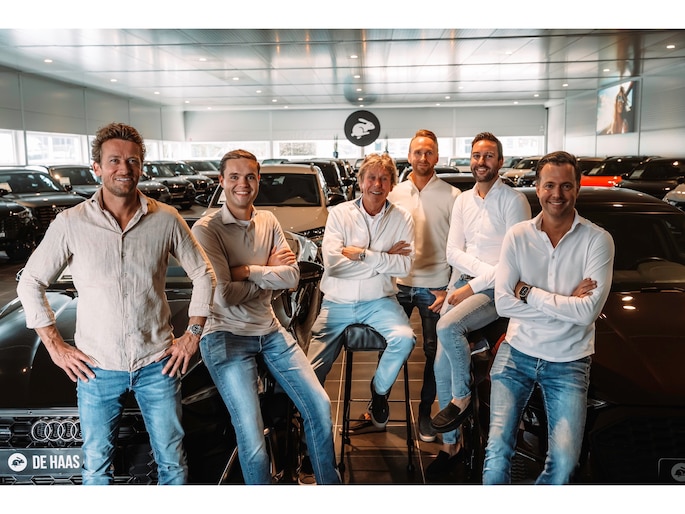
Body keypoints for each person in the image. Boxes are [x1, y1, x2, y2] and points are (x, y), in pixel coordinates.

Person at [17, 122, 215, 485]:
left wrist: (193, 335)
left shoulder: (166, 219)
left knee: (172, 462)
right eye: (114, 160)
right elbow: (30, 282)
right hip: (97, 369)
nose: (124, 168)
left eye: (132, 160)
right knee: (96, 466)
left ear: (141, 166)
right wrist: (56, 347)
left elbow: (204, 273)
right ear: (97, 167)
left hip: (157, 365)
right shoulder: (70, 223)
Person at [191, 149, 340, 485]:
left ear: (258, 180)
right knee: (252, 434)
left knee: (319, 406)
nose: (242, 184)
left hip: (269, 330)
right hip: (225, 336)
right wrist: (268, 275)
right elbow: (224, 295)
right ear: (221, 181)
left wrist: (246, 271)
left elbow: (292, 276)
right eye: (234, 177)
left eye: (250, 176)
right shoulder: (207, 229)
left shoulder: (268, 221)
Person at [483, 150, 615, 484]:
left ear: (577, 188)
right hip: (517, 353)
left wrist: (528, 292)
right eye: (550, 185)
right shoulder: (517, 236)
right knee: (497, 453)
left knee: (565, 464)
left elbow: (587, 313)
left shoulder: (598, 240)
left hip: (569, 361)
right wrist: (566, 304)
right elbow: (503, 304)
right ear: (538, 188)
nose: (558, 194)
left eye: (566, 186)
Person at [428, 132, 531, 479]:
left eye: (488, 156)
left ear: (500, 161)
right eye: (476, 156)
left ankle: (462, 398)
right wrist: (465, 282)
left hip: (499, 289)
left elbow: (513, 263)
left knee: (447, 326)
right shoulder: (463, 201)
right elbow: (452, 251)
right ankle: (451, 445)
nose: (481, 162)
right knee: (440, 366)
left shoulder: (514, 201)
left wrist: (472, 285)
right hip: (463, 282)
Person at [308, 153, 416, 434]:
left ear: (392, 184)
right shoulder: (339, 213)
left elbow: (404, 265)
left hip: (379, 301)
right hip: (337, 302)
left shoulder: (402, 217)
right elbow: (334, 265)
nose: (377, 185)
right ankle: (312, 430)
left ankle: (378, 392)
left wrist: (363, 255)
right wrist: (384, 258)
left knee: (405, 339)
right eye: (371, 177)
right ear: (360, 181)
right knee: (310, 370)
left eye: (384, 179)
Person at [387, 129, 460, 443]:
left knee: (434, 354)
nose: (423, 157)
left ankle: (425, 412)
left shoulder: (453, 196)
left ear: (437, 157)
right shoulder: (394, 193)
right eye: (417, 152)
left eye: (429, 152)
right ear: (409, 155)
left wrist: (450, 288)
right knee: (389, 346)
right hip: (398, 284)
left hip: (436, 286)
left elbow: (460, 247)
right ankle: (379, 401)